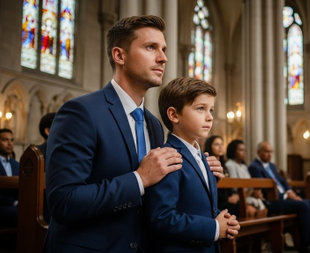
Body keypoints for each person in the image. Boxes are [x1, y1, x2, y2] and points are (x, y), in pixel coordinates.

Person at [45, 16, 223, 252]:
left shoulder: (153, 124)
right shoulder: (82, 112)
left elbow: (161, 193)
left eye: (164, 49)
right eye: (151, 47)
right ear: (120, 55)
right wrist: (139, 179)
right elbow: (63, 202)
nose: (163, 58)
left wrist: (198, 170)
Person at [145, 77, 240, 252]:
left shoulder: (204, 158)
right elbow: (162, 218)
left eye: (211, 109)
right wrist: (215, 228)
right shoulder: (169, 157)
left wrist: (224, 220)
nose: (210, 117)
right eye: (200, 109)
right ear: (174, 115)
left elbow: (199, 207)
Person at [248, 141, 310, 253]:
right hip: (272, 201)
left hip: (285, 197)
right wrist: (286, 195)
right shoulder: (254, 167)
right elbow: (264, 189)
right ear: (258, 152)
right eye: (266, 151)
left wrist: (291, 192)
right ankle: (306, 246)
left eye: (271, 152)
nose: (269, 154)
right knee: (304, 206)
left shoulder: (271, 166)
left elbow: (283, 182)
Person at [225, 139, 268, 218]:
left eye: (245, 150)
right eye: (241, 150)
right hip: (239, 196)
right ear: (233, 151)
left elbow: (249, 183)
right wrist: (251, 192)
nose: (244, 152)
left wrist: (255, 192)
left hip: (247, 195)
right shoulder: (230, 164)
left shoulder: (244, 166)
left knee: (264, 210)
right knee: (255, 211)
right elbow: (235, 186)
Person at [205, 135, 240, 217]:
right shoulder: (207, 163)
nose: (220, 147)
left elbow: (228, 184)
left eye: (222, 144)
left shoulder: (225, 165)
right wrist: (227, 199)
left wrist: (234, 196)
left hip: (228, 199)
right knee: (240, 208)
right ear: (210, 146)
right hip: (217, 201)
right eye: (217, 144)